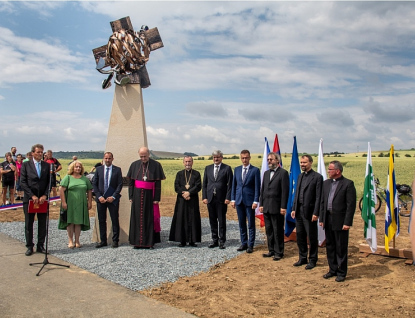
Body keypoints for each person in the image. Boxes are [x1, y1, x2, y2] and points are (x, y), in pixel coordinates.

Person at [319, 160, 356, 282]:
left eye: (330, 169)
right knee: (330, 246)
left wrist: (347, 222)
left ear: (337, 171)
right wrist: (322, 218)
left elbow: (350, 206)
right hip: (328, 219)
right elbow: (323, 202)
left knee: (341, 247)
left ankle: (341, 272)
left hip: (340, 221)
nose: (328, 171)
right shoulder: (326, 183)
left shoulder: (348, 184)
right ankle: (332, 269)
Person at [127, 147, 165, 249]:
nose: (143, 158)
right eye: (141, 156)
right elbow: (131, 183)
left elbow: (158, 183)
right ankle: (137, 242)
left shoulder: (156, 165)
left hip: (150, 196)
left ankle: (149, 242)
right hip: (137, 195)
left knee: (149, 218)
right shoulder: (134, 165)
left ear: (149, 155)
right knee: (137, 218)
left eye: (145, 156)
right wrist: (130, 196)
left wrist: (156, 198)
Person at [291, 155, 323, 269]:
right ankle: (302, 258)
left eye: (304, 163)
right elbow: (297, 194)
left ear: (311, 163)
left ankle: (313, 259)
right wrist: (294, 208)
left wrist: (316, 212)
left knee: (312, 237)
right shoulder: (300, 176)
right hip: (299, 211)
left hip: (310, 212)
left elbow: (319, 197)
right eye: (301, 162)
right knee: (300, 236)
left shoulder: (317, 177)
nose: (302, 164)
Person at [20, 144, 51, 256]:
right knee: (29, 223)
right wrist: (32, 195)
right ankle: (29, 246)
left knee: (42, 223)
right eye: (37, 152)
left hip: (42, 200)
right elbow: (22, 182)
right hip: (30, 199)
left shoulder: (46, 166)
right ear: (32, 153)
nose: (40, 154)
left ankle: (40, 245)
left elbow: (49, 182)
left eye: (41, 152)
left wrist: (45, 195)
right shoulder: (26, 165)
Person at [258, 152, 289, 259]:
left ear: (277, 160)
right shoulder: (266, 173)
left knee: (278, 231)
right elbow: (262, 190)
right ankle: (271, 250)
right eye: (268, 159)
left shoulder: (283, 173)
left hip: (277, 207)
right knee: (269, 230)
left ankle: (279, 252)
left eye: (271, 159)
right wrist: (261, 204)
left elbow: (285, 192)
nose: (269, 161)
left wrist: (283, 207)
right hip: (266, 206)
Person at [231, 150, 261, 253]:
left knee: (251, 224)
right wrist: (233, 199)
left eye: (246, 158)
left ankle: (250, 245)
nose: (244, 160)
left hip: (250, 201)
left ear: (249, 158)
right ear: (241, 158)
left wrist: (256, 201)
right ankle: (244, 243)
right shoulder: (237, 170)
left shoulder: (255, 170)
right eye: (243, 158)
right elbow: (234, 185)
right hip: (239, 200)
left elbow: (257, 187)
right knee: (241, 223)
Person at [202, 150, 233, 249]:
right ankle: (214, 240)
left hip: (221, 199)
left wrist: (228, 197)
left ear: (221, 157)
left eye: (218, 157)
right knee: (212, 220)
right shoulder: (208, 168)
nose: (216, 159)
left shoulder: (227, 168)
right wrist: (204, 197)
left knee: (221, 220)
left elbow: (230, 185)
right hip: (210, 199)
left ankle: (222, 241)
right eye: (214, 157)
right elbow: (205, 184)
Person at [58, 160, 92, 248]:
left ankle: (77, 241)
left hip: (81, 203)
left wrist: (89, 202)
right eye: (76, 167)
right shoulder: (68, 177)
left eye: (79, 167)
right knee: (70, 222)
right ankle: (70, 241)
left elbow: (89, 190)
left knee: (78, 222)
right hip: (70, 203)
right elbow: (61, 189)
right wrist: (64, 202)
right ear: (73, 167)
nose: (78, 168)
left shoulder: (84, 179)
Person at [169, 156, 202, 247]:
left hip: (193, 199)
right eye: (186, 161)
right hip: (181, 200)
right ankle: (182, 240)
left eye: (189, 161)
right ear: (183, 163)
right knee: (181, 218)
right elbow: (176, 186)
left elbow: (198, 186)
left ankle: (192, 240)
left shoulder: (196, 174)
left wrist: (189, 193)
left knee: (193, 218)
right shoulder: (179, 174)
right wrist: (184, 194)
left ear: (192, 162)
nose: (188, 163)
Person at [92, 152, 123, 248]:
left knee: (114, 219)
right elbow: (94, 184)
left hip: (112, 199)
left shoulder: (117, 170)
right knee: (101, 220)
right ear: (103, 159)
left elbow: (120, 184)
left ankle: (115, 241)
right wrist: (99, 196)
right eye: (106, 158)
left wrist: (113, 196)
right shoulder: (99, 170)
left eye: (109, 158)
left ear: (112, 159)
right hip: (101, 199)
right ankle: (103, 241)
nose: (107, 160)